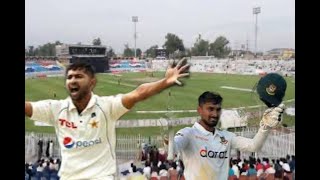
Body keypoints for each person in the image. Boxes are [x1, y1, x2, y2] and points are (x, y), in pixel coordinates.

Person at [25, 60, 190, 180]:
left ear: (92, 82)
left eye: (79, 76)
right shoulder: (56, 109)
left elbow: (138, 93)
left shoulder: (106, 107)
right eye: (69, 77)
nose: (73, 80)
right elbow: (28, 107)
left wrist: (164, 82)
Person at [166, 91, 285, 180]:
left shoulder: (226, 136)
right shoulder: (189, 133)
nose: (215, 114)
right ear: (200, 110)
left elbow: (254, 146)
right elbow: (174, 148)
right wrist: (169, 141)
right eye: (210, 109)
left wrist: (265, 127)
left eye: (218, 110)